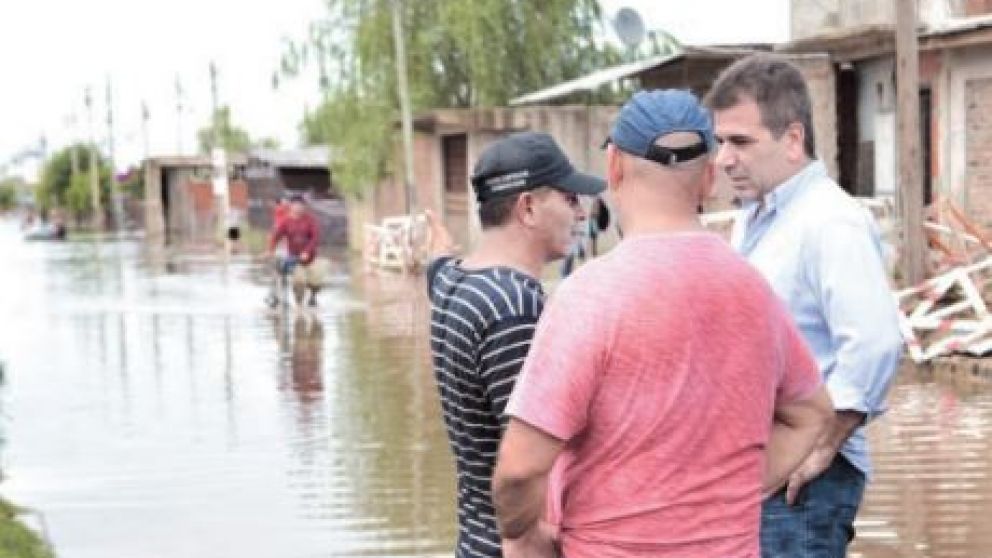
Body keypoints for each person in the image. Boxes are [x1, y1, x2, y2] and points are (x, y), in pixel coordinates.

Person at [492, 90, 834, 558]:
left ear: (613, 168)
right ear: (709, 178)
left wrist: (521, 533)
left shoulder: (590, 296)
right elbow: (812, 414)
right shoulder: (754, 290)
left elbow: (519, 469)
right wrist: (721, 499)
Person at [705, 54, 904, 557]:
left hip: (807, 479)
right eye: (721, 141)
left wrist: (823, 441)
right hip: (763, 463)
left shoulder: (828, 221)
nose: (725, 158)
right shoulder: (755, 218)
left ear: (792, 140)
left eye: (741, 142)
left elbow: (876, 342)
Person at [426, 131, 604, 558]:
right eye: (569, 198)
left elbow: (435, 269)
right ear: (527, 207)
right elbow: (524, 465)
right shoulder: (514, 305)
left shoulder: (454, 280)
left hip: (472, 538)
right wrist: (540, 543)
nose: (580, 213)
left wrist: (435, 253)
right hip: (512, 545)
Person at [266, 193, 329, 307]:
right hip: (295, 258)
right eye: (296, 205)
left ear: (304, 207)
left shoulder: (310, 220)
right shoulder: (286, 221)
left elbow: (315, 238)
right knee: (299, 281)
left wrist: (307, 251)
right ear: (291, 206)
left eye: (301, 205)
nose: (298, 207)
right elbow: (276, 236)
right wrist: (271, 250)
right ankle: (299, 305)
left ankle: (312, 297)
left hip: (311, 257)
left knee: (316, 282)